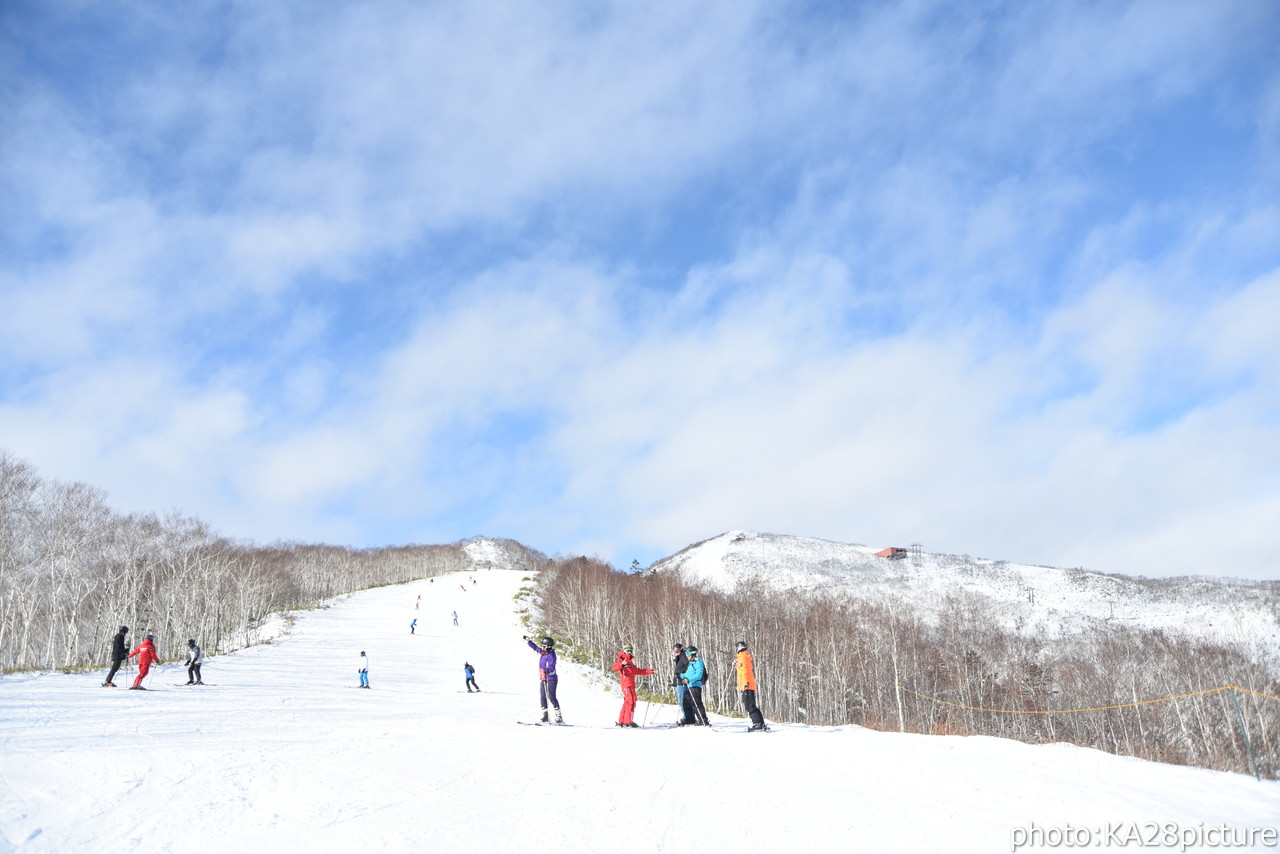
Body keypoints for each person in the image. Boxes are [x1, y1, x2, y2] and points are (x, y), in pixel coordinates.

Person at [611, 643, 654, 727]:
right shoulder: (621, 659)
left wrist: (650, 671)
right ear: (624, 651)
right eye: (627, 651)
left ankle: (624, 721)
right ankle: (627, 721)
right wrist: (621, 664)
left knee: (632, 701)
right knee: (630, 701)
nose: (629, 653)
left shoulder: (630, 663)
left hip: (631, 685)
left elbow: (638, 671)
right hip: (626, 685)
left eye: (630, 651)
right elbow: (615, 667)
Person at [523, 635, 563, 724]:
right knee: (543, 697)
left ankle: (559, 716)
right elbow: (536, 648)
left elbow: (551, 667)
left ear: (547, 646)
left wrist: (546, 672)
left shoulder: (552, 655)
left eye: (543, 646)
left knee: (551, 697)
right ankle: (545, 716)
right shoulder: (543, 653)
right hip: (543, 678)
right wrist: (529, 641)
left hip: (551, 679)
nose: (542, 647)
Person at [735, 641, 767, 731]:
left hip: (747, 685)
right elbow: (742, 670)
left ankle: (758, 723)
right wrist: (737, 666)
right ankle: (760, 722)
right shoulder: (743, 657)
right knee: (750, 705)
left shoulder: (743, 657)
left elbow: (745, 671)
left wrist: (745, 683)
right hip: (746, 684)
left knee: (750, 705)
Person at [683, 646, 710, 726]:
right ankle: (689, 719)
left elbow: (699, 675)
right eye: (685, 654)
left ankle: (703, 720)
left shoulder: (698, 662)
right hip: (689, 685)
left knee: (697, 702)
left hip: (695, 685)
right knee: (686, 702)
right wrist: (681, 676)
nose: (686, 655)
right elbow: (688, 674)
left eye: (687, 653)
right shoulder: (691, 663)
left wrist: (688, 679)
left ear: (692, 654)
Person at [672, 643, 696, 725]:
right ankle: (689, 717)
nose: (676, 652)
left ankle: (687, 717)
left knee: (682, 700)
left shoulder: (683, 657)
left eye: (678, 650)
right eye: (674, 651)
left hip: (682, 681)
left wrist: (681, 673)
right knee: (684, 700)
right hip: (680, 681)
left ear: (681, 650)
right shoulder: (679, 657)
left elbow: (688, 665)